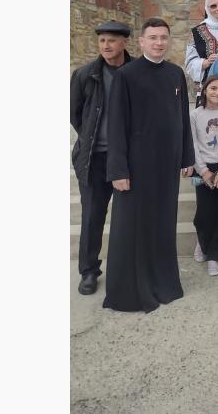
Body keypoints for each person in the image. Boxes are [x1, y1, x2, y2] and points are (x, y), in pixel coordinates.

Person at [102, 18, 196, 313]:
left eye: (163, 37)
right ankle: (128, 292)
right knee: (131, 227)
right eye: (153, 37)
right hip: (135, 166)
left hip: (167, 165)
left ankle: (163, 283)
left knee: (162, 224)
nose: (159, 42)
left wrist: (187, 157)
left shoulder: (175, 74)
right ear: (141, 42)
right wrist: (118, 170)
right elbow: (116, 125)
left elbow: (182, 118)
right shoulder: (126, 75)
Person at [70, 19, 133, 295]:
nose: (106, 46)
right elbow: (75, 114)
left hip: (128, 160)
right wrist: (93, 138)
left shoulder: (136, 72)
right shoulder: (85, 74)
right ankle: (89, 271)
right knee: (92, 217)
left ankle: (127, 267)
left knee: (128, 217)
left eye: (112, 40)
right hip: (94, 159)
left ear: (125, 42)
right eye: (102, 41)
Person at [190, 76, 218, 277]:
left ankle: (214, 256)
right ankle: (202, 241)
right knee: (204, 213)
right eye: (213, 88)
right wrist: (204, 171)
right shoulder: (195, 115)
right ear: (205, 90)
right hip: (202, 168)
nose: (217, 93)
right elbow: (193, 144)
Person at [183, 0, 218, 91]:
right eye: (213, 6)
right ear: (207, 9)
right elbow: (190, 63)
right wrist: (206, 62)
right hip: (209, 86)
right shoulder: (196, 32)